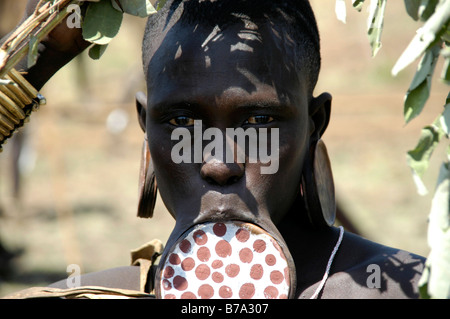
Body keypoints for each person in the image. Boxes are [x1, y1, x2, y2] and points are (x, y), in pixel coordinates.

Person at [3, 0, 424, 299]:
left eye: (259, 122)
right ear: (145, 127)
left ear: (314, 126)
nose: (220, 164)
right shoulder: (89, 295)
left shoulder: (412, 289)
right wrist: (31, 64)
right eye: (182, 121)